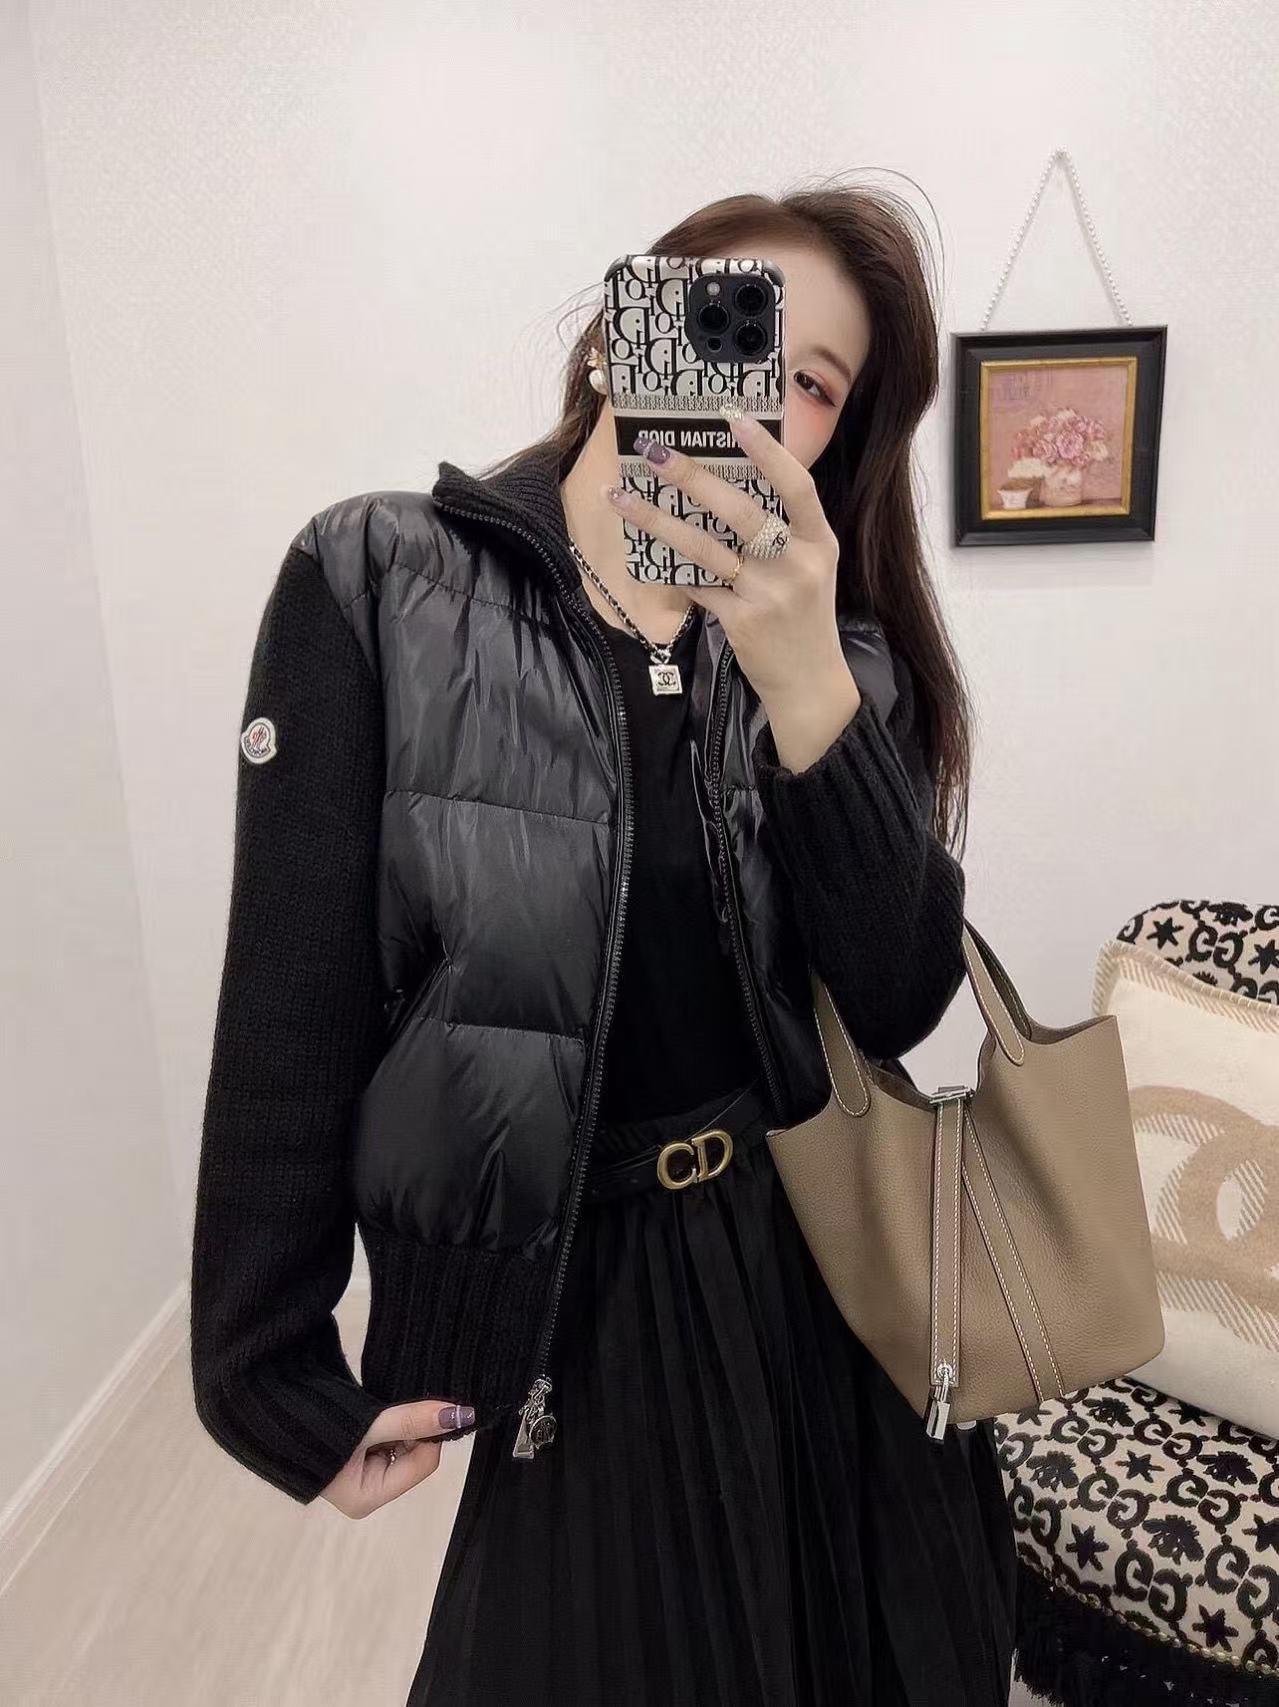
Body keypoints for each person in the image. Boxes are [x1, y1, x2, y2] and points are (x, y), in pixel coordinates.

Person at [190, 185, 1018, 1706]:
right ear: (620, 334)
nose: (760, 393)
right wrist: (266, 1367)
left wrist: (806, 688)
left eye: (814, 382)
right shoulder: (379, 580)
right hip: (577, 1306)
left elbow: (901, 998)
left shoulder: (841, 654)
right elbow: (294, 1001)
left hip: (823, 1271)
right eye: (730, 326)